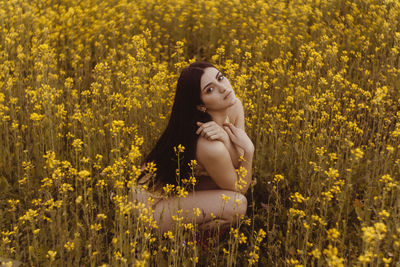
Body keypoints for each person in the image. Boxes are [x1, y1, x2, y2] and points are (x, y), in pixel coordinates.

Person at [130, 61, 255, 233]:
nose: (223, 88)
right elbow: (240, 187)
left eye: (221, 78)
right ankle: (188, 244)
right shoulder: (208, 144)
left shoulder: (234, 106)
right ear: (201, 105)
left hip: (180, 190)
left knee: (229, 185)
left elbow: (237, 160)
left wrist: (227, 139)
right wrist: (249, 150)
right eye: (210, 89)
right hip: (151, 210)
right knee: (237, 204)